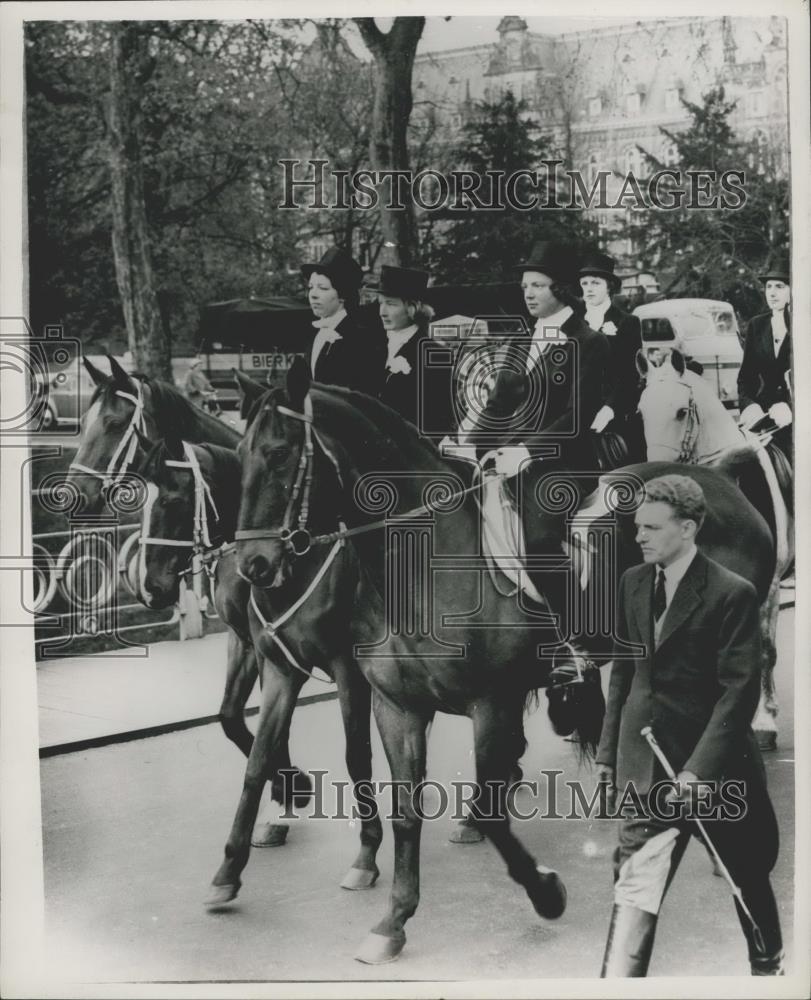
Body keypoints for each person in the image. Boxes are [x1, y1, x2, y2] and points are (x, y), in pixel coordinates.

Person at [596, 474, 783, 978]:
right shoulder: (632, 583)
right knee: (635, 882)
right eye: (638, 526)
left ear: (688, 528)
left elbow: (738, 693)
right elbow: (624, 674)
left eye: (652, 528)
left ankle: (769, 971)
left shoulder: (731, 593)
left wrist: (697, 775)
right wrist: (608, 755)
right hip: (646, 771)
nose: (639, 536)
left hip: (717, 775)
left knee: (747, 877)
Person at [468, 241, 609, 611]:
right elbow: (498, 405)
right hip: (509, 459)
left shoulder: (590, 343)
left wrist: (528, 451)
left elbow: (577, 417)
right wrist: (467, 445)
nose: (528, 293)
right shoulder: (519, 339)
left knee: (541, 544)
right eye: (525, 285)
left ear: (560, 289)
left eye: (537, 285)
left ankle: (574, 639)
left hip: (562, 466)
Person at [579, 250, 643, 461]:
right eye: (585, 283)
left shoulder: (627, 323)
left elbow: (629, 376)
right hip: (574, 413)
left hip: (614, 415)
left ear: (609, 287)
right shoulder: (572, 321)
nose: (588, 289)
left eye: (595, 283)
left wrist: (610, 409)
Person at [372, 264, 451, 432]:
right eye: (380, 303)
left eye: (391, 304)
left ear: (413, 308)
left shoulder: (435, 354)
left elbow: (437, 421)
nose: (382, 312)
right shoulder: (372, 348)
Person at [737, 256, 792, 458]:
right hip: (764, 417)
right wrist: (749, 405)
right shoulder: (757, 325)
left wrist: (791, 406)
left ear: (793, 290)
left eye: (780, 286)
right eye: (769, 286)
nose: (773, 293)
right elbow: (746, 378)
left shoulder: (805, 324)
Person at [301, 246, 373, 393]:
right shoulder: (314, 333)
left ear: (342, 295)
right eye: (311, 287)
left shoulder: (358, 336)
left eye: (323, 288)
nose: (313, 294)